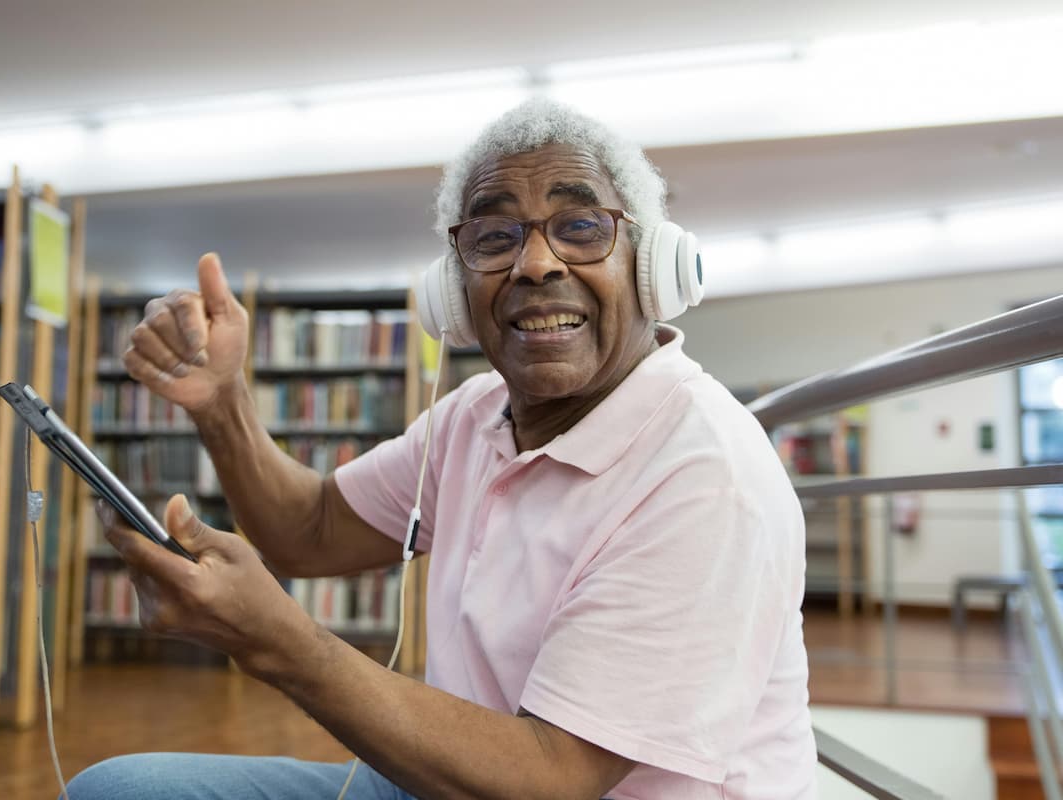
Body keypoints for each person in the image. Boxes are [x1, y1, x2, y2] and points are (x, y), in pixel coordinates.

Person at [65, 98, 816, 800]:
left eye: (582, 227)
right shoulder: (475, 415)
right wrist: (222, 402)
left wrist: (276, 640)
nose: (536, 264)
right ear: (453, 295)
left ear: (652, 267)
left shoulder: (706, 474)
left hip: (529, 784)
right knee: (117, 792)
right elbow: (311, 530)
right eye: (494, 238)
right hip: (459, 779)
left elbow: (553, 779)